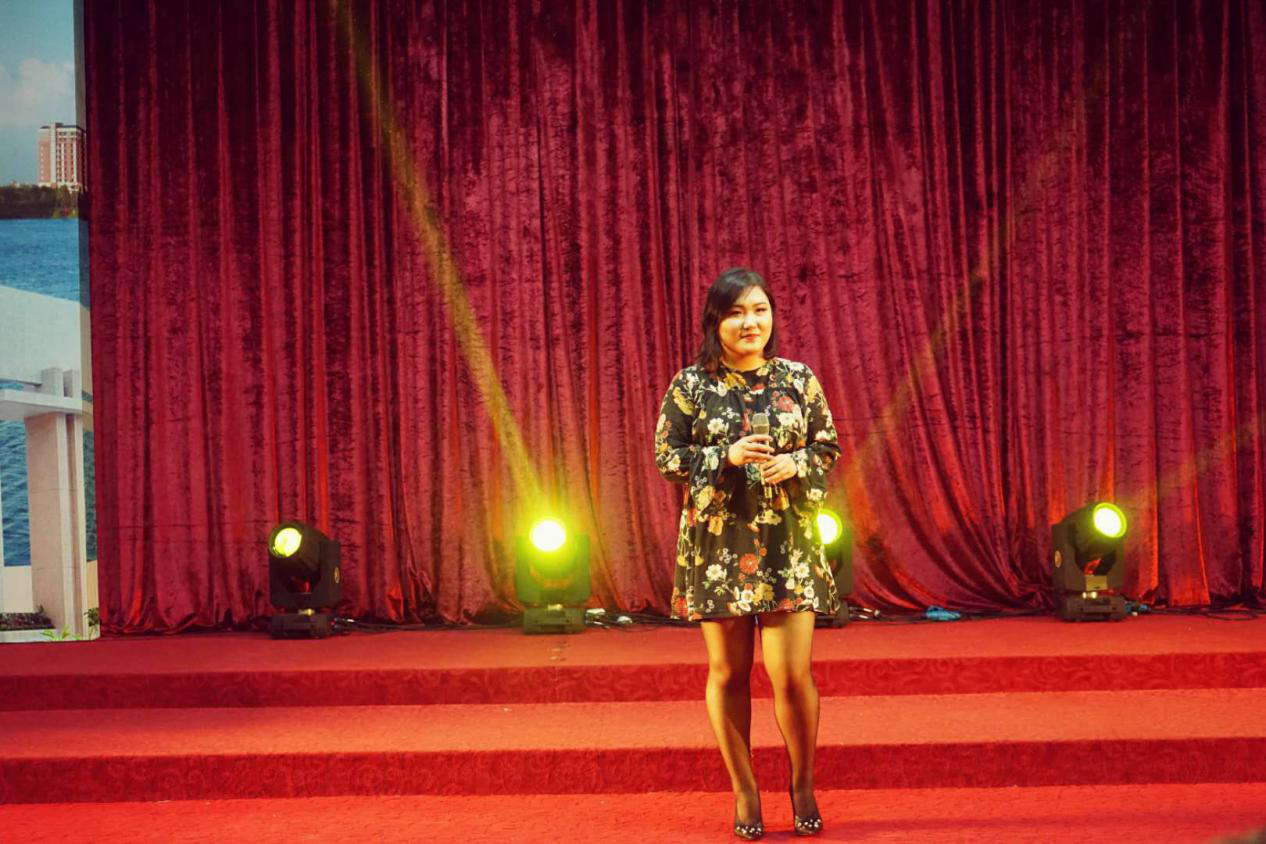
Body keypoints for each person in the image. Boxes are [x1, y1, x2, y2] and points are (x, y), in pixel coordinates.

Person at [654, 268, 841, 839]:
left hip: (789, 541)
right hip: (719, 542)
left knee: (792, 674)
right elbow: (667, 457)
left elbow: (827, 446)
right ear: (716, 321)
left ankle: (802, 784)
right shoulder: (691, 385)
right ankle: (745, 791)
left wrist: (797, 462)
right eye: (736, 312)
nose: (750, 322)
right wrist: (725, 457)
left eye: (759, 310)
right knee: (729, 672)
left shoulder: (798, 378)